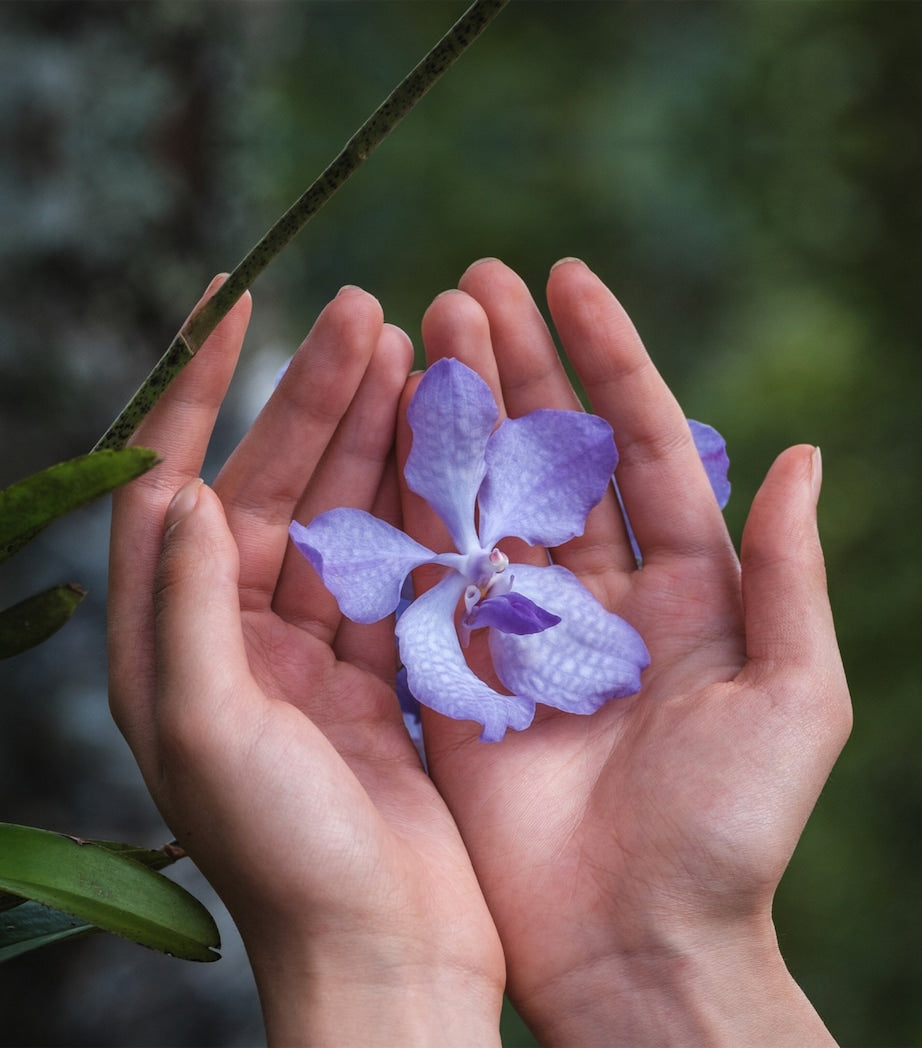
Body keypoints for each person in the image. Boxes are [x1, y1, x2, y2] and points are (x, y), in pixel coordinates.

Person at [108, 258, 851, 1046]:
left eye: (498, 562)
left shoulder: (513, 562)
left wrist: (370, 967)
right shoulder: (419, 617)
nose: (494, 562)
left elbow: (563, 465)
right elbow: (403, 622)